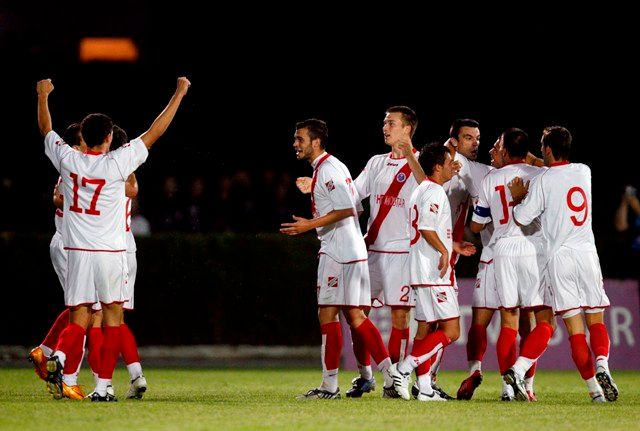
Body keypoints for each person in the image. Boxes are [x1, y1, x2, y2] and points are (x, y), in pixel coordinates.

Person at [37, 76, 190, 401]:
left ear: (84, 138)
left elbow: (46, 130)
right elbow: (155, 131)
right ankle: (102, 388)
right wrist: (178, 93)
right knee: (112, 319)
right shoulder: (117, 163)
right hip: (110, 252)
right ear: (108, 137)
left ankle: (60, 359)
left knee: (79, 318)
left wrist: (42, 96)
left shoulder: (69, 159)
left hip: (77, 251)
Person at [281, 119, 396, 399]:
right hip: (351, 250)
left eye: (300, 139)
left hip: (338, 252)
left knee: (328, 314)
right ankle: (392, 377)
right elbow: (352, 202)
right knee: (356, 317)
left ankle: (329, 386)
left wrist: (310, 224)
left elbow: (347, 209)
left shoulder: (329, 169)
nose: (296, 144)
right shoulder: (330, 168)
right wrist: (316, 188)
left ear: (316, 141)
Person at [508, 126, 615, 402]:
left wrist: (519, 197)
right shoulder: (584, 171)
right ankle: (603, 364)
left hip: (560, 258)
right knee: (596, 320)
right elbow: (555, 170)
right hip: (587, 254)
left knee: (574, 330)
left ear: (548, 149)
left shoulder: (543, 180)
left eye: (543, 146)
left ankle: (595, 393)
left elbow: (521, 217)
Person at [344, 106, 424, 398]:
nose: (385, 127)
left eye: (391, 123)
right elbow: (353, 193)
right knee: (356, 313)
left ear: (408, 128)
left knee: (401, 319)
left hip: (403, 253)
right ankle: (368, 374)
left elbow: (428, 189)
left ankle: (395, 381)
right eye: (384, 122)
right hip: (372, 251)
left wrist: (412, 157)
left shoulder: (422, 163)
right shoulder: (376, 162)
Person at [470, 128, 554, 402]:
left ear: (505, 151)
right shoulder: (540, 175)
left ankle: (507, 389)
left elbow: (476, 224)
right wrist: (534, 161)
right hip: (533, 248)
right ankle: (527, 385)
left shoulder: (491, 178)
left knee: (509, 321)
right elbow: (557, 172)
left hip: (502, 249)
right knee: (537, 321)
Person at [388, 143, 476, 401]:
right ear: (438, 167)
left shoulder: (420, 190)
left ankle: (425, 388)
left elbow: (430, 228)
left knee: (424, 330)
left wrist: (452, 245)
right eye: (449, 162)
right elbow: (427, 228)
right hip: (434, 274)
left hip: (421, 271)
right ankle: (404, 369)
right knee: (451, 331)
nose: (452, 167)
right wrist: (446, 252)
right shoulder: (435, 192)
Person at [28, 123, 88, 400]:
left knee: (84, 308)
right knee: (85, 312)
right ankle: (66, 375)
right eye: (87, 141)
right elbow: (58, 198)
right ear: (76, 146)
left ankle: (47, 351)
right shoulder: (78, 167)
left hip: (70, 245)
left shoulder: (76, 167)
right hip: (69, 246)